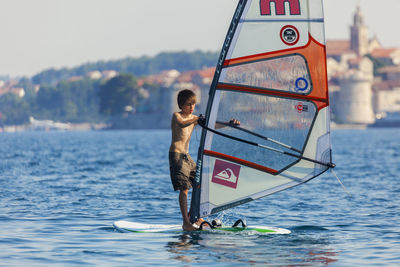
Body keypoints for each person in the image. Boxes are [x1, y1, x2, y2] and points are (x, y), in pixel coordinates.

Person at [169, 89, 239, 231]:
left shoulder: (193, 118)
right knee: (184, 189)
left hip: (187, 157)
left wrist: (228, 124)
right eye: (189, 104)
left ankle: (196, 216)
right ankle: (186, 223)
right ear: (182, 105)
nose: (192, 107)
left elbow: (211, 125)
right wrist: (197, 119)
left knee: (199, 184)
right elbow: (182, 123)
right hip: (176, 155)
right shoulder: (177, 116)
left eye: (194, 104)